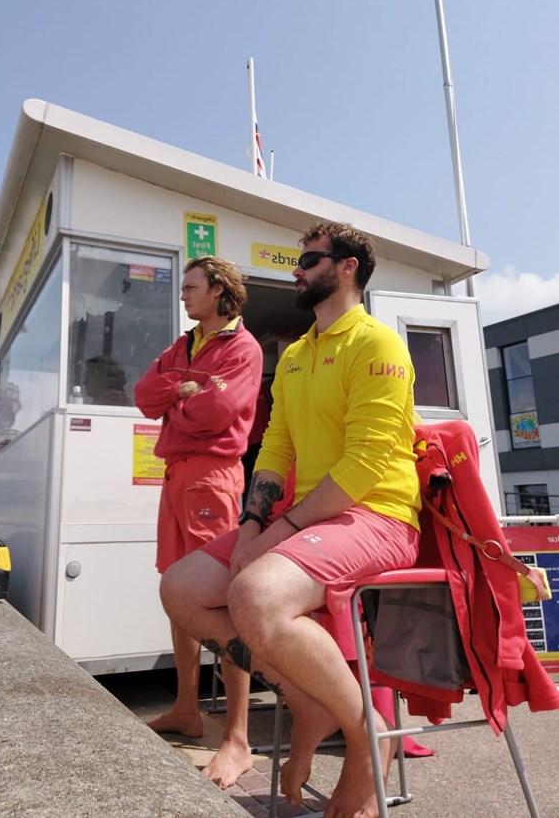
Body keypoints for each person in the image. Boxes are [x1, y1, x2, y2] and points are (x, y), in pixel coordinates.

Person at [159, 221, 421, 813]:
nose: (295, 271)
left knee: (254, 593)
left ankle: (366, 737)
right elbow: (275, 447)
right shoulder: (298, 352)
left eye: (307, 260)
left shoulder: (377, 342)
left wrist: (278, 532)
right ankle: (310, 703)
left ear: (347, 266)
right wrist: (252, 527)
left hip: (379, 515)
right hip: (318, 521)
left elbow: (365, 465)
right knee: (182, 588)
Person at [134, 254, 262, 785]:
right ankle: (188, 708)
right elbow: (144, 397)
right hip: (178, 476)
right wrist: (184, 389)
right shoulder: (184, 347)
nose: (182, 295)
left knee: (219, 596)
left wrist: (184, 398)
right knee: (177, 588)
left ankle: (238, 738)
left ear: (218, 292)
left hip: (213, 476)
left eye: (190, 287)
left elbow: (215, 414)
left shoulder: (244, 347)